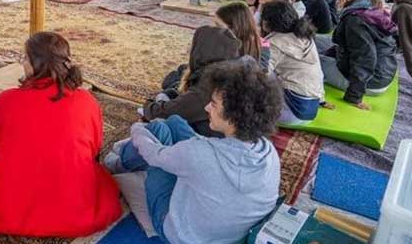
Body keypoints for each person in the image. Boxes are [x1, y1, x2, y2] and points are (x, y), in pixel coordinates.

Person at [105, 58, 282, 244]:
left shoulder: (200, 154)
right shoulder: (268, 151)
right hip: (232, 233)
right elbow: (205, 153)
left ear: (233, 117)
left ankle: (115, 164)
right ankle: (137, 146)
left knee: (156, 133)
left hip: (182, 235)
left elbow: (153, 155)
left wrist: (137, 128)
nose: (207, 107)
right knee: (174, 122)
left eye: (213, 104)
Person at [0, 32, 121, 237]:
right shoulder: (87, 101)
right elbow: (94, 148)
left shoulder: (3, 102)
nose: (22, 63)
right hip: (78, 212)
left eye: (25, 58)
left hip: (15, 212)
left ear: (35, 64)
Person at [145, 26, 242, 137]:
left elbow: (159, 114)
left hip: (212, 145)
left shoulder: (210, 85)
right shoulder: (236, 69)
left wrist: (149, 104)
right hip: (230, 142)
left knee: (150, 129)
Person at [317, 0, 397, 109]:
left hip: (371, 83)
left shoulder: (354, 20)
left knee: (309, 60)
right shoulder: (371, 8)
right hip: (383, 72)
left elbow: (365, 58)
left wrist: (354, 97)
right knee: (315, 40)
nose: (338, 0)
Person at [260, 1, 325, 124]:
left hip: (292, 112)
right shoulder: (304, 35)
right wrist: (321, 99)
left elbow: (259, 75)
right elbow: (319, 73)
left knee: (253, 70)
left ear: (269, 21)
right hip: (311, 110)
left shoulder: (274, 42)